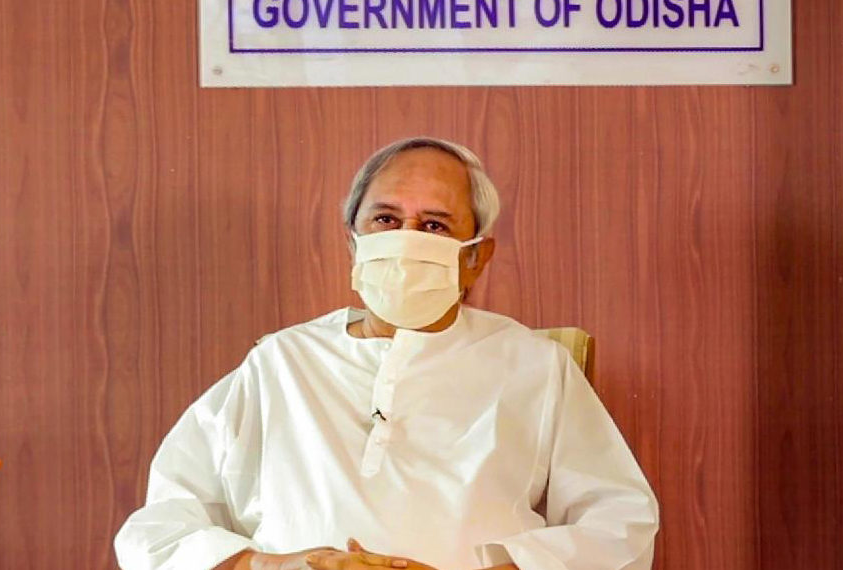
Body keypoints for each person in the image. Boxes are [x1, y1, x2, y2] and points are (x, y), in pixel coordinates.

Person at [114, 137, 659, 570]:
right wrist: (275, 565)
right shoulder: (282, 361)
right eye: (386, 220)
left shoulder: (534, 365)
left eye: (434, 225)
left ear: (475, 257)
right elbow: (157, 531)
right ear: (353, 242)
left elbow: (621, 525)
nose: (406, 240)